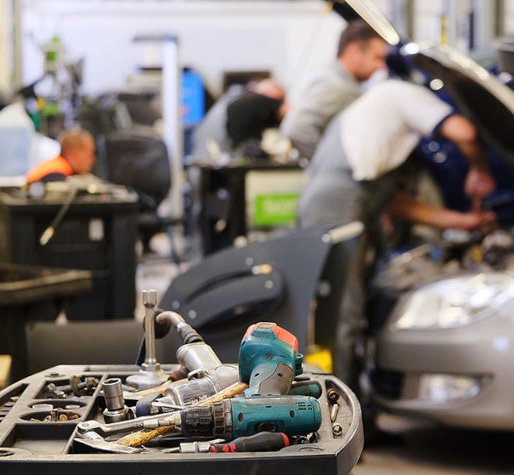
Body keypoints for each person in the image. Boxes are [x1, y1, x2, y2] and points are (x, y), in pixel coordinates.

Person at [298, 79, 496, 389]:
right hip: (337, 204)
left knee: (349, 307)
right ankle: (339, 406)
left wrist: (463, 222)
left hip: (332, 201)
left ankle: (351, 395)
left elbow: (398, 204)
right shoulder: (403, 95)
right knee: (344, 312)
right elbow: (465, 132)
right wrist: (480, 171)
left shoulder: (374, 118)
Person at [280, 19, 389, 161]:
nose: (381, 67)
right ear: (354, 51)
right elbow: (297, 128)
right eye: (377, 58)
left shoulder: (342, 83)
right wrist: (331, 166)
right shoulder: (334, 86)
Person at [190, 78, 289, 158]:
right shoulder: (256, 100)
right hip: (209, 163)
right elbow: (288, 110)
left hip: (201, 160)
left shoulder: (232, 100)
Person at [26, 129, 96, 184]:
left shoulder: (56, 165)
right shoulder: (56, 175)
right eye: (89, 154)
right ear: (74, 153)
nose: (93, 159)